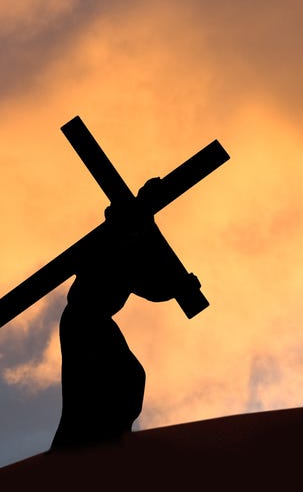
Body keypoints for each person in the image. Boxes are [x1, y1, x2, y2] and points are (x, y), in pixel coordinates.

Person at [50, 178, 201, 451]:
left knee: (129, 377)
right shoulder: (109, 243)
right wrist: (178, 286)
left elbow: (149, 285)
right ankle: (87, 442)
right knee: (96, 385)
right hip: (83, 321)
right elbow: (145, 281)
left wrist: (180, 286)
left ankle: (110, 435)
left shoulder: (132, 248)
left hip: (96, 321)